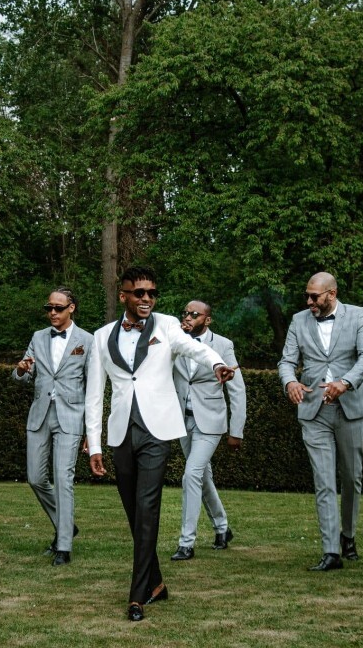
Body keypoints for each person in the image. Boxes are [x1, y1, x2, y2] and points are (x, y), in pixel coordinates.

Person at [84, 266, 235, 621]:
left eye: (152, 293)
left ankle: (136, 596)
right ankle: (156, 584)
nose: (147, 299)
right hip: (121, 432)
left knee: (148, 508)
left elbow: (191, 348)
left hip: (157, 432)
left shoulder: (167, 325)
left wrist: (216, 363)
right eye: (139, 293)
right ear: (123, 295)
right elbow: (94, 394)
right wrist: (94, 445)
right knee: (134, 514)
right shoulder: (101, 335)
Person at [278, 272, 363, 571]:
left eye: (314, 296)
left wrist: (345, 382)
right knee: (323, 480)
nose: (309, 301)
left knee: (351, 477)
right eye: (307, 296)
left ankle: (348, 535)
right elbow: (286, 361)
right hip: (313, 410)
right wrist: (290, 382)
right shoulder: (299, 320)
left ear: (331, 294)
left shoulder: (358, 315)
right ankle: (330, 551)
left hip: (351, 406)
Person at [13, 287, 93, 566]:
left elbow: (93, 387)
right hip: (39, 415)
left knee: (63, 478)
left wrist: (91, 431)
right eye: (49, 308)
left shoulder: (87, 340)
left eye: (58, 308)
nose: (53, 313)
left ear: (71, 308)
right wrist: (22, 369)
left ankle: (64, 546)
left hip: (71, 417)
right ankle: (66, 524)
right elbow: (22, 373)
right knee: (35, 478)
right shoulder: (38, 337)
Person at [170, 300, 246, 560]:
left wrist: (236, 430)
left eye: (194, 314)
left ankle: (186, 542)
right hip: (183, 421)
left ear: (207, 320)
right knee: (203, 477)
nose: (188, 317)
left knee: (191, 474)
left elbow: (237, 390)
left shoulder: (223, 345)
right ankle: (223, 528)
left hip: (210, 421)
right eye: (185, 313)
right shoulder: (176, 343)